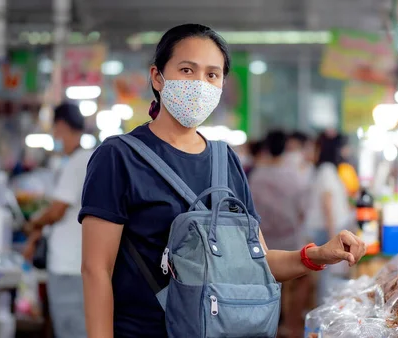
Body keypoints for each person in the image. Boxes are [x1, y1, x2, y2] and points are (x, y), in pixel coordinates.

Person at [78, 24, 366, 338]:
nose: (199, 84)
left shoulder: (224, 160)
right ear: (157, 77)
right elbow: (96, 270)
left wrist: (319, 254)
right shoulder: (118, 157)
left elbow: (258, 263)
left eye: (212, 75)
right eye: (187, 70)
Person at [22, 102, 92, 338]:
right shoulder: (85, 159)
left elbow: (56, 211)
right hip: (77, 262)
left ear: (62, 127)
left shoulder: (76, 162)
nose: (54, 136)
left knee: (71, 329)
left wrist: (33, 224)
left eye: (54, 130)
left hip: (68, 265)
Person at [249, 130, 310, 337]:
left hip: (263, 241)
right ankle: (291, 327)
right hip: (289, 239)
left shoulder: (256, 176)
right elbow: (303, 210)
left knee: (266, 286)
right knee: (295, 283)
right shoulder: (294, 176)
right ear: (285, 149)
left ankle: (270, 327)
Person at [304, 131, 354, 304]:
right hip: (327, 229)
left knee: (327, 275)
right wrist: (334, 235)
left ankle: (325, 307)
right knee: (328, 275)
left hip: (326, 228)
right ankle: (325, 309)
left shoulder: (326, 170)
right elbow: (327, 204)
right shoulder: (327, 170)